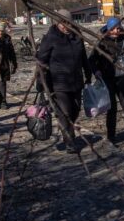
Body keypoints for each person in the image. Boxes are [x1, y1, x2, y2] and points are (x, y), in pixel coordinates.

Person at [36, 9, 92, 153]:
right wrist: (40, 82)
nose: (64, 26)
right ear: (57, 23)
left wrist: (88, 74)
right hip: (58, 82)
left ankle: (69, 134)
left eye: (67, 22)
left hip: (76, 81)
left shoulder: (77, 37)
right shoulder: (51, 38)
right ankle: (70, 142)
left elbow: (84, 58)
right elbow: (41, 60)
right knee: (64, 112)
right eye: (62, 23)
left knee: (75, 110)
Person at [88, 17, 124, 145]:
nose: (117, 30)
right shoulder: (102, 42)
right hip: (108, 79)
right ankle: (111, 137)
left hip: (122, 78)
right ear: (109, 29)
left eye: (118, 28)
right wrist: (96, 71)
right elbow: (92, 60)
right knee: (112, 109)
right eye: (114, 28)